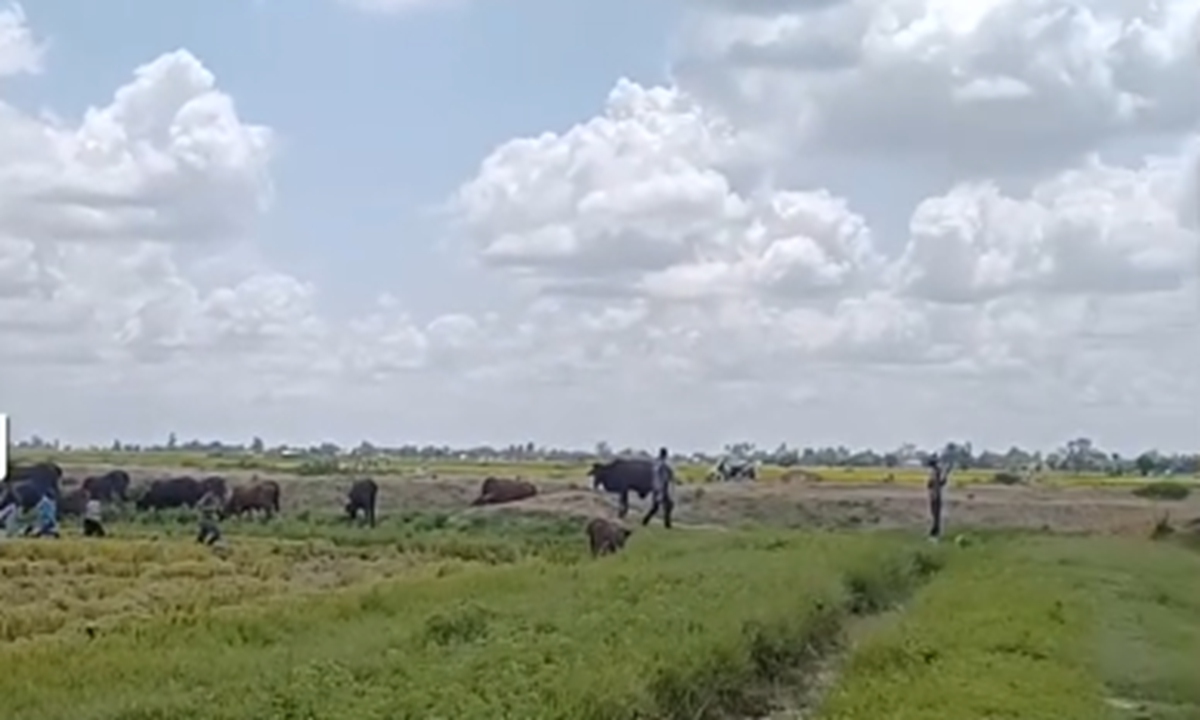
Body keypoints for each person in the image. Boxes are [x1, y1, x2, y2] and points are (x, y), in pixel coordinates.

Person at [643, 447, 675, 529]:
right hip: (662, 487)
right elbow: (667, 476)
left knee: (656, 506)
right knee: (668, 505)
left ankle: (646, 520)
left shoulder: (656, 463)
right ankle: (667, 524)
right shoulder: (664, 464)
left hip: (655, 486)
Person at [926, 454, 951, 542]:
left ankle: (935, 532)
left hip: (935, 495)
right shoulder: (936, 472)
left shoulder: (934, 472)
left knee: (935, 515)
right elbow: (940, 483)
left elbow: (932, 484)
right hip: (936, 495)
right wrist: (946, 473)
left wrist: (946, 474)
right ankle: (935, 532)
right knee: (936, 515)